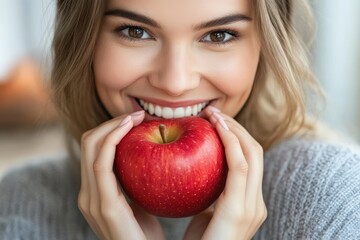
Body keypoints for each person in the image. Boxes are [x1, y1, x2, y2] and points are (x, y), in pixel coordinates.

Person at [1, 0, 360, 239]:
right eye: (135, 31)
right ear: (84, 39)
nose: (175, 83)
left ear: (265, 45)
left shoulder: (332, 197)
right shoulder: (22, 208)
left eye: (218, 35)